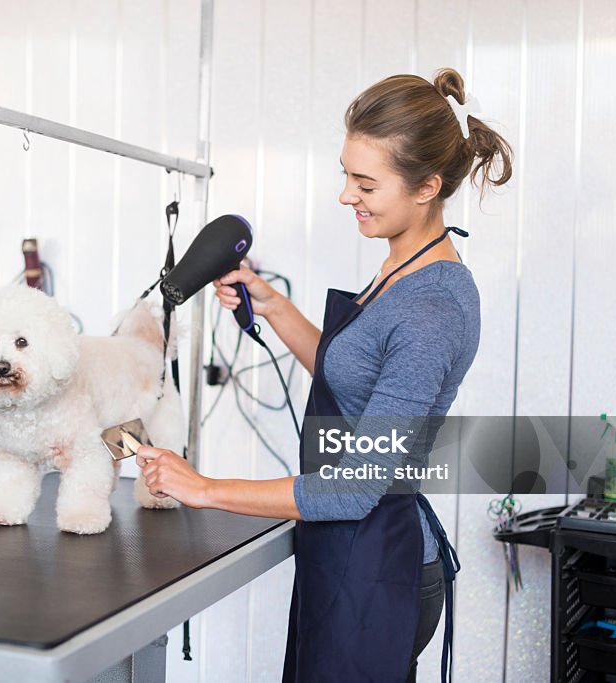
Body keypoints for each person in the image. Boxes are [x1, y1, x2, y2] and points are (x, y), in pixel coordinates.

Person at [135, 68, 513, 682]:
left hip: (377, 565)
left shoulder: (433, 309)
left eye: (365, 182)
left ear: (428, 187)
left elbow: (355, 487)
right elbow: (353, 380)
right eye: (346, 174)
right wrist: (273, 304)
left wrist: (202, 488)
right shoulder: (401, 266)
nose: (346, 196)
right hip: (344, 552)